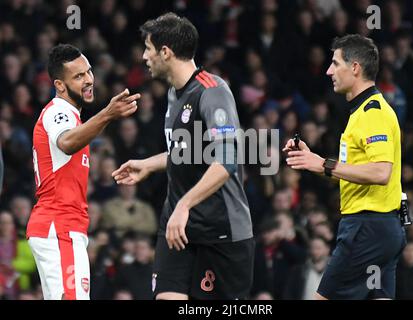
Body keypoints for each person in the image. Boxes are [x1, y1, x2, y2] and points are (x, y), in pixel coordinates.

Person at [112, 13, 254, 300]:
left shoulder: (213, 91)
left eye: (148, 49)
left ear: (165, 52)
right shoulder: (175, 94)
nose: (143, 56)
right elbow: (189, 152)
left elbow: (226, 159)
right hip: (178, 226)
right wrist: (149, 164)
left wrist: (184, 205)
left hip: (221, 231)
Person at [285, 34, 406, 299]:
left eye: (335, 63)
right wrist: (315, 162)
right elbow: (357, 173)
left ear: (355, 68)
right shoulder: (361, 112)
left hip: (366, 228)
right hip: (381, 229)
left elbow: (380, 172)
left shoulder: (373, 113)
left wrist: (324, 164)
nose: (328, 71)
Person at [26, 44, 140, 300]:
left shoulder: (74, 118)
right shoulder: (58, 112)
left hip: (63, 227)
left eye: (88, 72)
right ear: (59, 85)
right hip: (60, 226)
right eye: (78, 76)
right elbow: (66, 143)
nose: (89, 80)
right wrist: (108, 114)